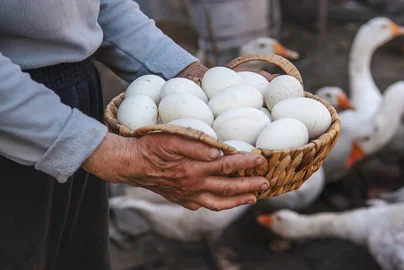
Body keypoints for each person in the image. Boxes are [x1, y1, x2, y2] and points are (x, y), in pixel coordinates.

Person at [0, 1, 276, 269]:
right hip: (16, 119)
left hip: (75, 101)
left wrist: (189, 76)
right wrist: (114, 154)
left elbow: (92, 7)